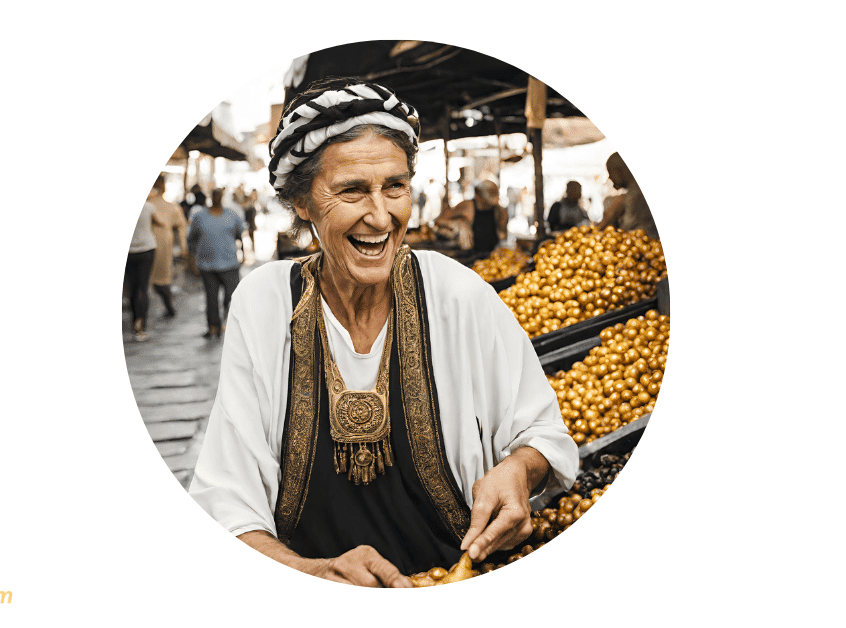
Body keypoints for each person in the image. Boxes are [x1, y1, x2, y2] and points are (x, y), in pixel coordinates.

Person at [189, 77, 578, 588]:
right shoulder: (263, 305)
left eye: (394, 186)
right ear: (302, 202)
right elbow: (227, 504)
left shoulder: (459, 294)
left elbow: (544, 434)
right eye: (352, 190)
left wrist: (520, 469)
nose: (380, 215)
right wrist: (313, 573)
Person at [187, 188, 244, 339]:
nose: (217, 197)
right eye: (214, 195)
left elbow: (240, 236)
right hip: (207, 265)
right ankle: (213, 327)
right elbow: (191, 238)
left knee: (231, 297)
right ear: (211, 197)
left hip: (230, 264)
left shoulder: (232, 215)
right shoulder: (200, 217)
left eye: (219, 195)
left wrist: (243, 254)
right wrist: (192, 260)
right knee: (211, 298)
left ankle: (231, 325)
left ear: (222, 197)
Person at [147, 176, 189, 318]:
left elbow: (182, 226)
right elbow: (182, 226)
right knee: (160, 279)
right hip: (158, 245)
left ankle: (167, 307)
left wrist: (183, 245)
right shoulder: (153, 205)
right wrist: (183, 245)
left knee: (157, 280)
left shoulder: (152, 205)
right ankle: (168, 306)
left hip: (157, 246)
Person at [596, 152, 660, 241]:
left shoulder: (636, 195)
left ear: (621, 170)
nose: (610, 177)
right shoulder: (629, 194)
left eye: (610, 172)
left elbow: (628, 229)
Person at [435, 180, 508, 253]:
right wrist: (458, 225)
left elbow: (503, 236)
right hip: (467, 256)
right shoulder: (467, 206)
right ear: (477, 195)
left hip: (489, 256)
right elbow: (439, 221)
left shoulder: (500, 212)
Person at [126, 196, 161, 341]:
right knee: (143, 287)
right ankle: (142, 326)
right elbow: (161, 222)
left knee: (132, 289)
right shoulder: (148, 207)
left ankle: (135, 324)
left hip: (130, 252)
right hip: (146, 249)